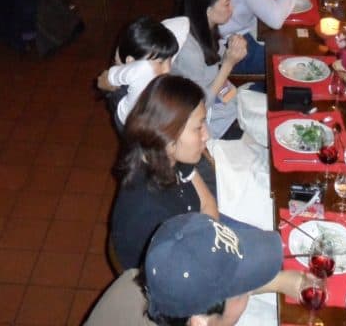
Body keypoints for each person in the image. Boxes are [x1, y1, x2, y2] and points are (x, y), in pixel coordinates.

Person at [85, 213, 303, 326]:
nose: (250, 289)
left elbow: (208, 287)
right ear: (199, 322)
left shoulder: (135, 281)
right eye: (243, 289)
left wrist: (282, 281)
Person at [109, 75, 219, 269]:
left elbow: (207, 203)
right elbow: (186, 271)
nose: (206, 135)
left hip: (197, 240)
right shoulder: (151, 211)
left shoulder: (168, 157)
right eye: (198, 127)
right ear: (168, 136)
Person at [172, 0, 248, 140]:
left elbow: (214, 56)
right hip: (209, 125)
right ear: (208, 10)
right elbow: (199, 105)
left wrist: (231, 47)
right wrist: (228, 64)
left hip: (224, 106)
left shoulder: (204, 27)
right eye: (227, 4)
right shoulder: (189, 51)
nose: (232, 8)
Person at [98, 16, 190, 127]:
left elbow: (183, 22)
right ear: (132, 63)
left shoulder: (148, 65)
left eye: (170, 59)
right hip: (131, 125)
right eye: (160, 62)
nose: (167, 69)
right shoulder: (137, 76)